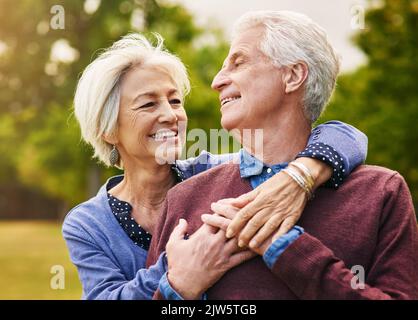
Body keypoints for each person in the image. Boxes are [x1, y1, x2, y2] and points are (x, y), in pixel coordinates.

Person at [63, 32, 368, 299]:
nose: (170, 115)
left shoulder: (215, 173)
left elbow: (347, 136)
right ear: (108, 129)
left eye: (175, 101)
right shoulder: (88, 224)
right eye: (148, 104)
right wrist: (179, 271)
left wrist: (300, 176)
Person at [146, 11, 418, 299]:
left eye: (238, 63)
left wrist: (287, 248)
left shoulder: (381, 192)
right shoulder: (184, 199)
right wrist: (177, 290)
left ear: (292, 76)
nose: (216, 81)